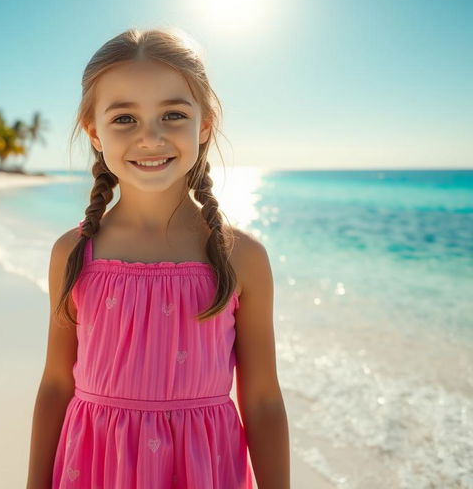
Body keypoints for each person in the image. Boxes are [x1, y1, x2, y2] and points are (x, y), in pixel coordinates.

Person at [26, 27, 290, 488]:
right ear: (94, 131)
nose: (150, 138)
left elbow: (264, 400)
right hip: (94, 469)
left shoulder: (240, 257)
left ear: (203, 124)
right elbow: (55, 384)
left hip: (203, 471)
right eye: (125, 119)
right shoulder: (73, 253)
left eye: (172, 114)